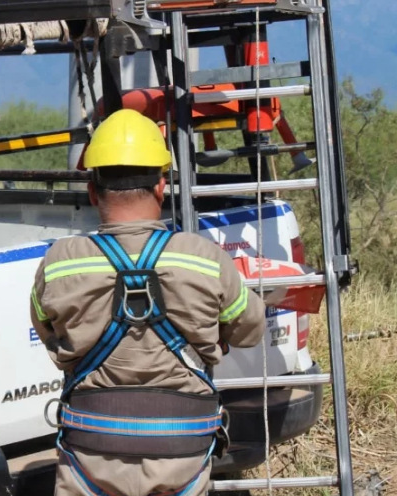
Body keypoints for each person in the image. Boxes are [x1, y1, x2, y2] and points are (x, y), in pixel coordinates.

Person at [29, 109, 266, 496]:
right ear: (161, 187)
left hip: (91, 451)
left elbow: (48, 331)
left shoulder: (60, 262)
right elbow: (250, 330)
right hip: (182, 450)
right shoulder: (203, 258)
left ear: (93, 191)